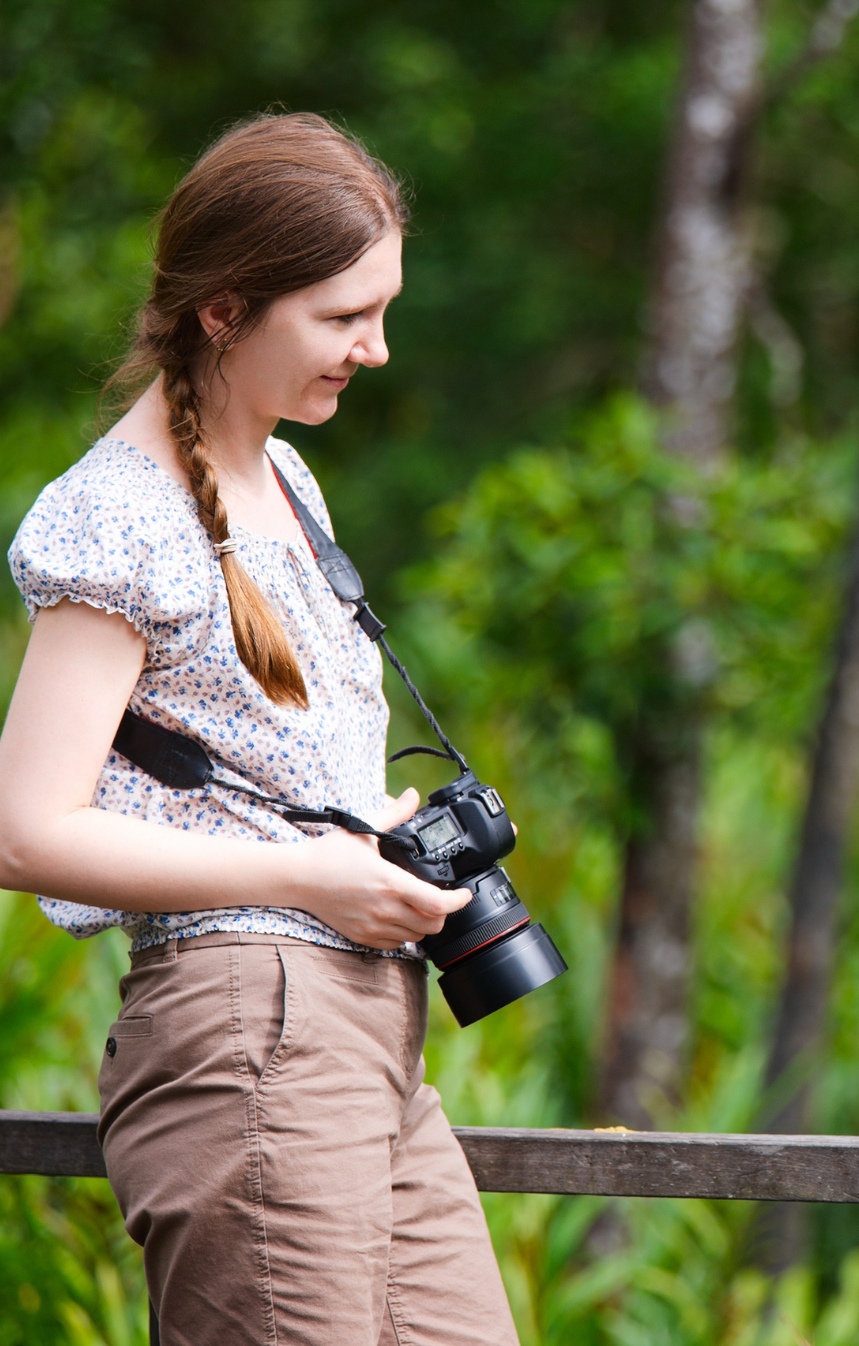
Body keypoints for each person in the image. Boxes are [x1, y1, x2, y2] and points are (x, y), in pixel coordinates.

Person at [0, 112, 518, 1344]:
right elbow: (24, 831)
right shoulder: (119, 513)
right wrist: (309, 875)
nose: (375, 348)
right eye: (344, 317)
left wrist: (368, 841)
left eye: (382, 311)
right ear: (225, 309)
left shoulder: (289, 480)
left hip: (366, 1033)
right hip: (248, 1027)